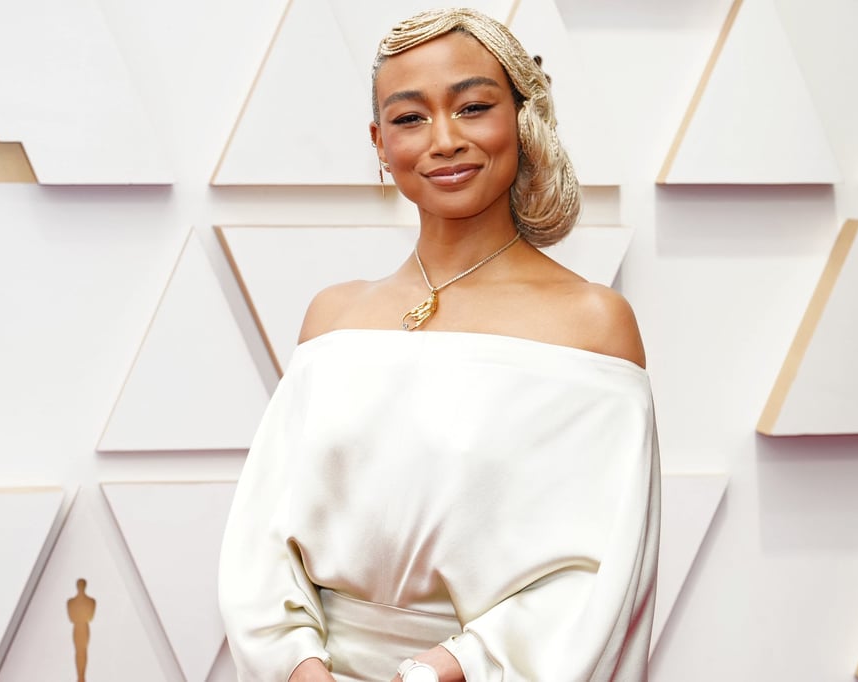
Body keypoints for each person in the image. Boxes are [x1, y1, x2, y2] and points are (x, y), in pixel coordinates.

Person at [219, 8, 660, 681]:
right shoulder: (332, 321)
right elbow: (263, 543)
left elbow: (602, 570)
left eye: (473, 107)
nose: (444, 140)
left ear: (523, 117)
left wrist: (443, 670)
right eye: (409, 117)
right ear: (378, 141)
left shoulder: (591, 323)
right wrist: (299, 667)